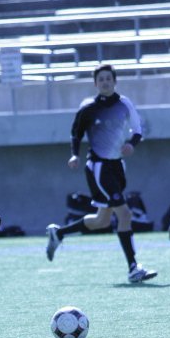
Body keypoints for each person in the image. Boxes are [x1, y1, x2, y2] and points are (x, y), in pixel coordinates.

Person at [45, 64, 157, 284]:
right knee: (124, 214)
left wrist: (132, 144)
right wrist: (74, 155)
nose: (105, 82)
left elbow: (138, 130)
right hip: (98, 167)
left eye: (108, 78)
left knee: (102, 220)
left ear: (115, 81)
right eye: (101, 79)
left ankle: (58, 233)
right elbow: (75, 134)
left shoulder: (124, 104)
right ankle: (134, 268)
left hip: (117, 166)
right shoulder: (88, 108)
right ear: (95, 84)